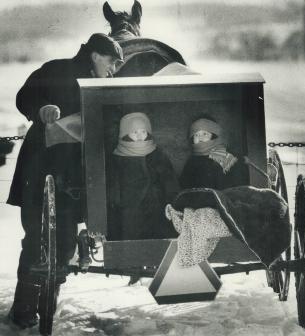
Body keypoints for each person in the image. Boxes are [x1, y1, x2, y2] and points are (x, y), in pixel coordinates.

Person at [7, 33, 124, 329]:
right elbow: (25, 97)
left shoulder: (104, 86)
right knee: (35, 238)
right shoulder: (55, 69)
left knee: (65, 243)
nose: (113, 70)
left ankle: (47, 306)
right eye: (111, 62)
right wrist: (41, 109)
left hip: (73, 179)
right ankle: (22, 309)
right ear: (95, 55)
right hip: (40, 168)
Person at [108, 112, 179, 241]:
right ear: (125, 134)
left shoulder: (157, 153)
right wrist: (117, 202)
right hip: (130, 208)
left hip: (157, 205)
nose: (140, 136)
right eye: (135, 132)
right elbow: (113, 185)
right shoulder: (118, 157)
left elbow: (169, 180)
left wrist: (171, 199)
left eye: (143, 132)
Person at [180, 116, 249, 190]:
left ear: (213, 135)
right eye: (196, 135)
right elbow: (184, 185)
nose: (200, 137)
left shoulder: (224, 156)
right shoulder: (192, 160)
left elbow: (237, 184)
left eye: (205, 134)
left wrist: (240, 159)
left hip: (223, 198)